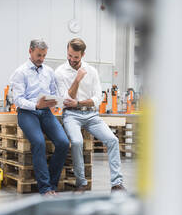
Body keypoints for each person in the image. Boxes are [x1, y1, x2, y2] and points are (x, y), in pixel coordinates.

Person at [55, 38, 126, 192]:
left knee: (113, 140)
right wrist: (78, 79)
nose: (72, 60)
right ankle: (81, 182)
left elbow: (98, 99)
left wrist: (79, 103)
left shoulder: (92, 71)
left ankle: (117, 183)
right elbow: (67, 100)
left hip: (92, 115)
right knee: (77, 142)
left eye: (76, 57)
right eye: (70, 55)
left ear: (83, 55)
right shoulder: (60, 72)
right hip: (71, 116)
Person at [9, 39, 69, 196]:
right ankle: (45, 188)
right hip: (27, 113)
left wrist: (55, 101)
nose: (41, 59)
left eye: (43, 55)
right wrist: (36, 106)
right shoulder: (20, 72)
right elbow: (18, 99)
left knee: (63, 143)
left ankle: (52, 184)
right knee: (39, 143)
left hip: (46, 113)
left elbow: (53, 91)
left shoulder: (49, 71)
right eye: (38, 55)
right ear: (30, 51)